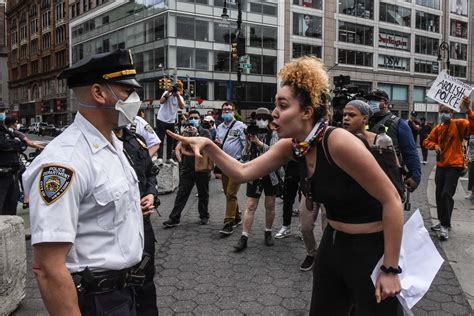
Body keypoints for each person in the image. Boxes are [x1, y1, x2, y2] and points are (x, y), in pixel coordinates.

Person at [170, 56, 403, 315]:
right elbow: (242, 172)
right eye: (275, 105)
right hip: (332, 246)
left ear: (307, 112)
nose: (274, 113)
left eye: (282, 105)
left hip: (371, 249)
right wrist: (209, 145)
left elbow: (391, 199)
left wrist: (390, 268)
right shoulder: (291, 146)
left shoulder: (337, 142)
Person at [22, 49, 146, 315]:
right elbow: (47, 268)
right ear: (99, 93)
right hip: (95, 302)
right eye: (126, 91)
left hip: (125, 292)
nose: (135, 99)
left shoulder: (113, 144)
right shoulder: (64, 162)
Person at [115, 125, 159, 315]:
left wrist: (151, 194)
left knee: (145, 281)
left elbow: (150, 173)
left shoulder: (136, 140)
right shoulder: (99, 145)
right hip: (115, 231)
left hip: (143, 225)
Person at [424, 101, 474, 241]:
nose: (443, 114)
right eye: (442, 112)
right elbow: (426, 141)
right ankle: (442, 221)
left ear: (451, 113)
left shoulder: (459, 124)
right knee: (439, 194)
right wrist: (434, 146)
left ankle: (445, 226)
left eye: (446, 112)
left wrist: (469, 110)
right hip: (441, 165)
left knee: (446, 194)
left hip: (454, 166)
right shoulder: (438, 128)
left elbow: (472, 127)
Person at [233, 107, 282, 251]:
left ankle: (268, 232)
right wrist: (248, 144)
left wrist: (259, 143)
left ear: (269, 120)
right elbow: (244, 156)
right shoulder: (251, 133)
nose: (261, 121)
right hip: (254, 174)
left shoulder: (274, 134)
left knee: (270, 204)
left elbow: (275, 152)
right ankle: (244, 236)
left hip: (270, 174)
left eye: (264, 118)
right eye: (259, 118)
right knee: (250, 205)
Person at [162, 110, 212, 227]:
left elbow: (206, 148)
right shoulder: (184, 133)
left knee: (203, 194)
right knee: (181, 194)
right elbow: (177, 150)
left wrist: (195, 136)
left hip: (202, 169)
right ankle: (174, 218)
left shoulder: (205, 132)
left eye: (196, 118)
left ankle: (204, 216)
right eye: (191, 118)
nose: (193, 120)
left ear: (200, 120)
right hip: (187, 169)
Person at [366, 89, 421, 193]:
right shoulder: (365, 121)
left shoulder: (399, 123)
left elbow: (410, 151)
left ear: (386, 103)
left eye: (376, 100)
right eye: (369, 100)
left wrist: (415, 176)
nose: (370, 103)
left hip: (390, 175)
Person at [215, 101, 247, 235]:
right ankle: (237, 216)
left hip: (236, 164)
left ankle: (228, 222)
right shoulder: (220, 127)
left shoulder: (240, 126)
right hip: (224, 165)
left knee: (231, 193)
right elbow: (218, 144)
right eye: (224, 110)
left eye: (229, 110)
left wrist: (244, 162)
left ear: (234, 112)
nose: (226, 112)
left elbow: (246, 144)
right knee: (228, 193)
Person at [0, 114, 25, 215]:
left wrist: (14, 143)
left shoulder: (9, 132)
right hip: (2, 173)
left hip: (13, 173)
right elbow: (3, 145)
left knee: (12, 201)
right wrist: (14, 143)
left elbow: (22, 145)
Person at [156, 80, 185, 162]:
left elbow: (182, 106)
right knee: (160, 139)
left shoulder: (180, 98)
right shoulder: (167, 93)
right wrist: (169, 92)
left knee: (170, 140)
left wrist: (178, 96)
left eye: (179, 90)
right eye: (176, 89)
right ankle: (160, 157)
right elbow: (161, 101)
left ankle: (169, 158)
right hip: (161, 119)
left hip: (171, 121)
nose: (177, 91)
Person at [274, 160, 300, 240]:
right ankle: (286, 227)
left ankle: (303, 230)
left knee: (304, 202)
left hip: (305, 171)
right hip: (290, 171)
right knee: (287, 201)